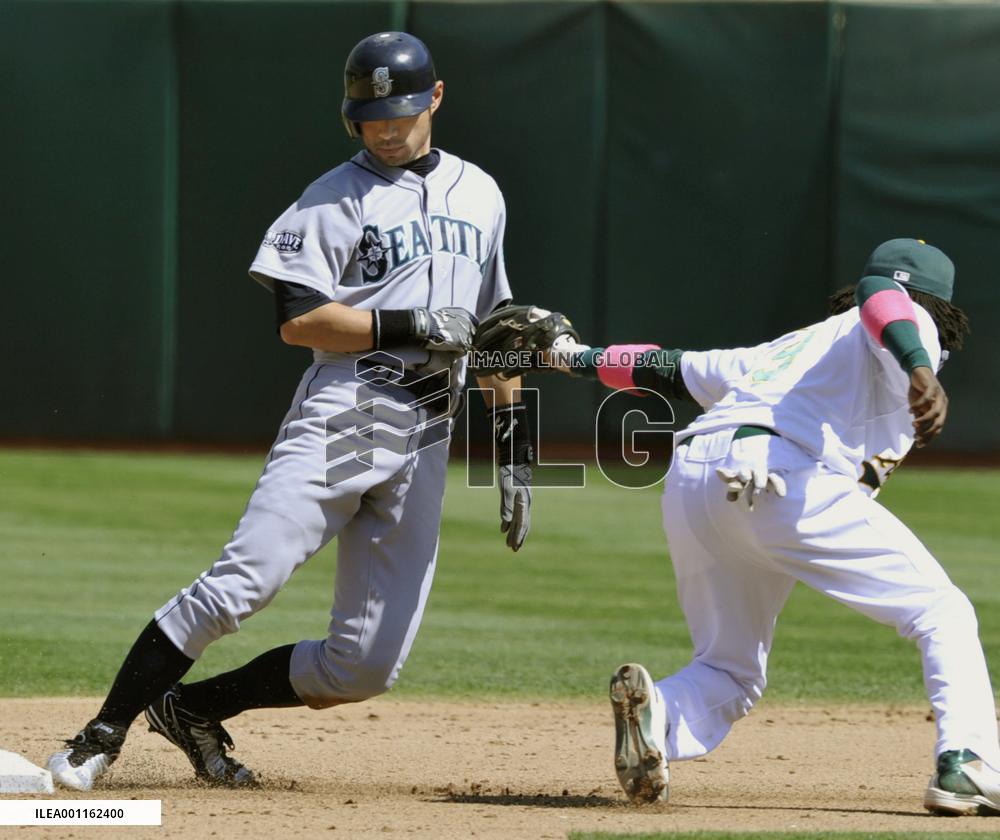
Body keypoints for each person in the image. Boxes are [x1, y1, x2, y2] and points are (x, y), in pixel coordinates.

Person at [48, 31, 533, 791]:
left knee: (365, 664)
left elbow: (500, 327)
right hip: (353, 407)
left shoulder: (482, 193)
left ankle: (193, 709)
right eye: (371, 115)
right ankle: (95, 740)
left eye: (401, 111)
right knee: (243, 583)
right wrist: (407, 324)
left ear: (436, 99)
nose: (387, 127)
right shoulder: (332, 196)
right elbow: (299, 319)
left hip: (431, 425)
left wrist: (514, 447)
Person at [559, 239, 1000, 814]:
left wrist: (565, 355)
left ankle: (660, 714)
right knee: (941, 610)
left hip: (695, 480)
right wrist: (920, 366)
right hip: (781, 479)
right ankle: (967, 762)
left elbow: (665, 368)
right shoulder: (909, 323)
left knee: (729, 668)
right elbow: (883, 294)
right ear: (941, 309)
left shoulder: (791, 349)